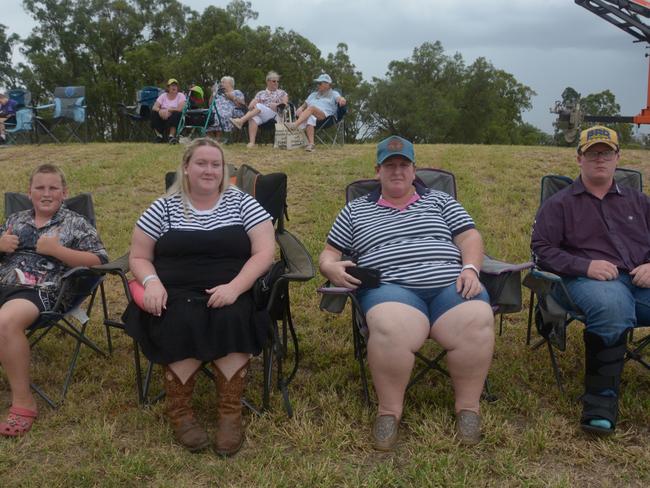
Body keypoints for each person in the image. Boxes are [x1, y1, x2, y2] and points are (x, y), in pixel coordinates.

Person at [319, 136, 494, 450]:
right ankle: (389, 412)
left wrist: (470, 269)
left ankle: (468, 408)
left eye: (403, 165)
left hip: (449, 286)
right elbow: (328, 254)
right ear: (378, 171)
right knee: (390, 327)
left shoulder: (441, 201)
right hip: (392, 290)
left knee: (478, 317)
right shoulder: (354, 211)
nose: (397, 171)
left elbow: (470, 237)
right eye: (390, 165)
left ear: (414, 170)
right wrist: (330, 268)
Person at [123, 138, 275, 455]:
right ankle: (180, 414)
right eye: (201, 163)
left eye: (215, 164)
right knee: (181, 317)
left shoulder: (243, 203)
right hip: (173, 291)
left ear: (224, 171)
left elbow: (264, 253)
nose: (209, 170)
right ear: (186, 168)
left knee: (232, 315)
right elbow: (138, 257)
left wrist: (235, 287)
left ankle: (230, 415)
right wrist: (151, 283)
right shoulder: (162, 207)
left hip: (234, 286)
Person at [531, 125, 650, 436]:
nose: (600, 159)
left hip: (640, 280)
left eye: (606, 153)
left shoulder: (639, 202)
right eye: (593, 153)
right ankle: (600, 402)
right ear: (579, 158)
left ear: (618, 157)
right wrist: (584, 266)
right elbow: (542, 251)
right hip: (583, 283)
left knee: (619, 302)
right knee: (611, 304)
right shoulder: (560, 204)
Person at [0, 164, 108, 437]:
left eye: (53, 188)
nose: (46, 194)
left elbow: (99, 261)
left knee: (6, 322)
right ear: (29, 192)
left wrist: (58, 251)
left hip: (41, 291)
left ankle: (23, 402)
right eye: (40, 188)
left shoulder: (75, 222)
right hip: (4, 282)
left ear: (64, 192)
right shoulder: (15, 219)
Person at [287, 74, 346, 152]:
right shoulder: (313, 95)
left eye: (319, 83)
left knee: (311, 108)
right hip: (309, 116)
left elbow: (340, 98)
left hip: (326, 118)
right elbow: (304, 106)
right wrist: (300, 109)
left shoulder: (333, 93)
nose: (317, 85)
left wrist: (342, 100)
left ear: (327, 85)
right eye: (317, 83)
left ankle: (295, 125)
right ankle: (311, 144)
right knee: (310, 117)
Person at [230, 71, 288, 148]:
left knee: (259, 106)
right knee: (253, 117)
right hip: (261, 114)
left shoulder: (282, 93)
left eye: (277, 81)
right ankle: (252, 143)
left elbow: (285, 104)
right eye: (274, 81)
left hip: (275, 114)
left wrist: (277, 104)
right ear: (268, 81)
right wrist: (252, 104)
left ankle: (241, 121)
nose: (276, 83)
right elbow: (250, 107)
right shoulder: (261, 93)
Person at [207, 76, 246, 141]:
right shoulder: (218, 94)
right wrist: (213, 93)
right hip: (215, 111)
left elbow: (242, 105)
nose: (221, 84)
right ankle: (210, 140)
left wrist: (233, 98)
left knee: (219, 115)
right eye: (221, 82)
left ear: (230, 84)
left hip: (230, 111)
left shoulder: (236, 92)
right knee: (207, 115)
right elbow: (210, 104)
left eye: (223, 82)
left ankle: (218, 139)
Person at [150, 78, 187, 144]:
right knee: (153, 112)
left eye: (175, 85)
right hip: (163, 116)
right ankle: (159, 136)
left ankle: (171, 136)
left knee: (176, 113)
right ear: (168, 87)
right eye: (172, 85)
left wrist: (170, 110)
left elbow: (181, 109)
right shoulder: (163, 96)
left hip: (173, 117)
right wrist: (160, 111)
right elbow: (154, 107)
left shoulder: (181, 95)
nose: (174, 87)